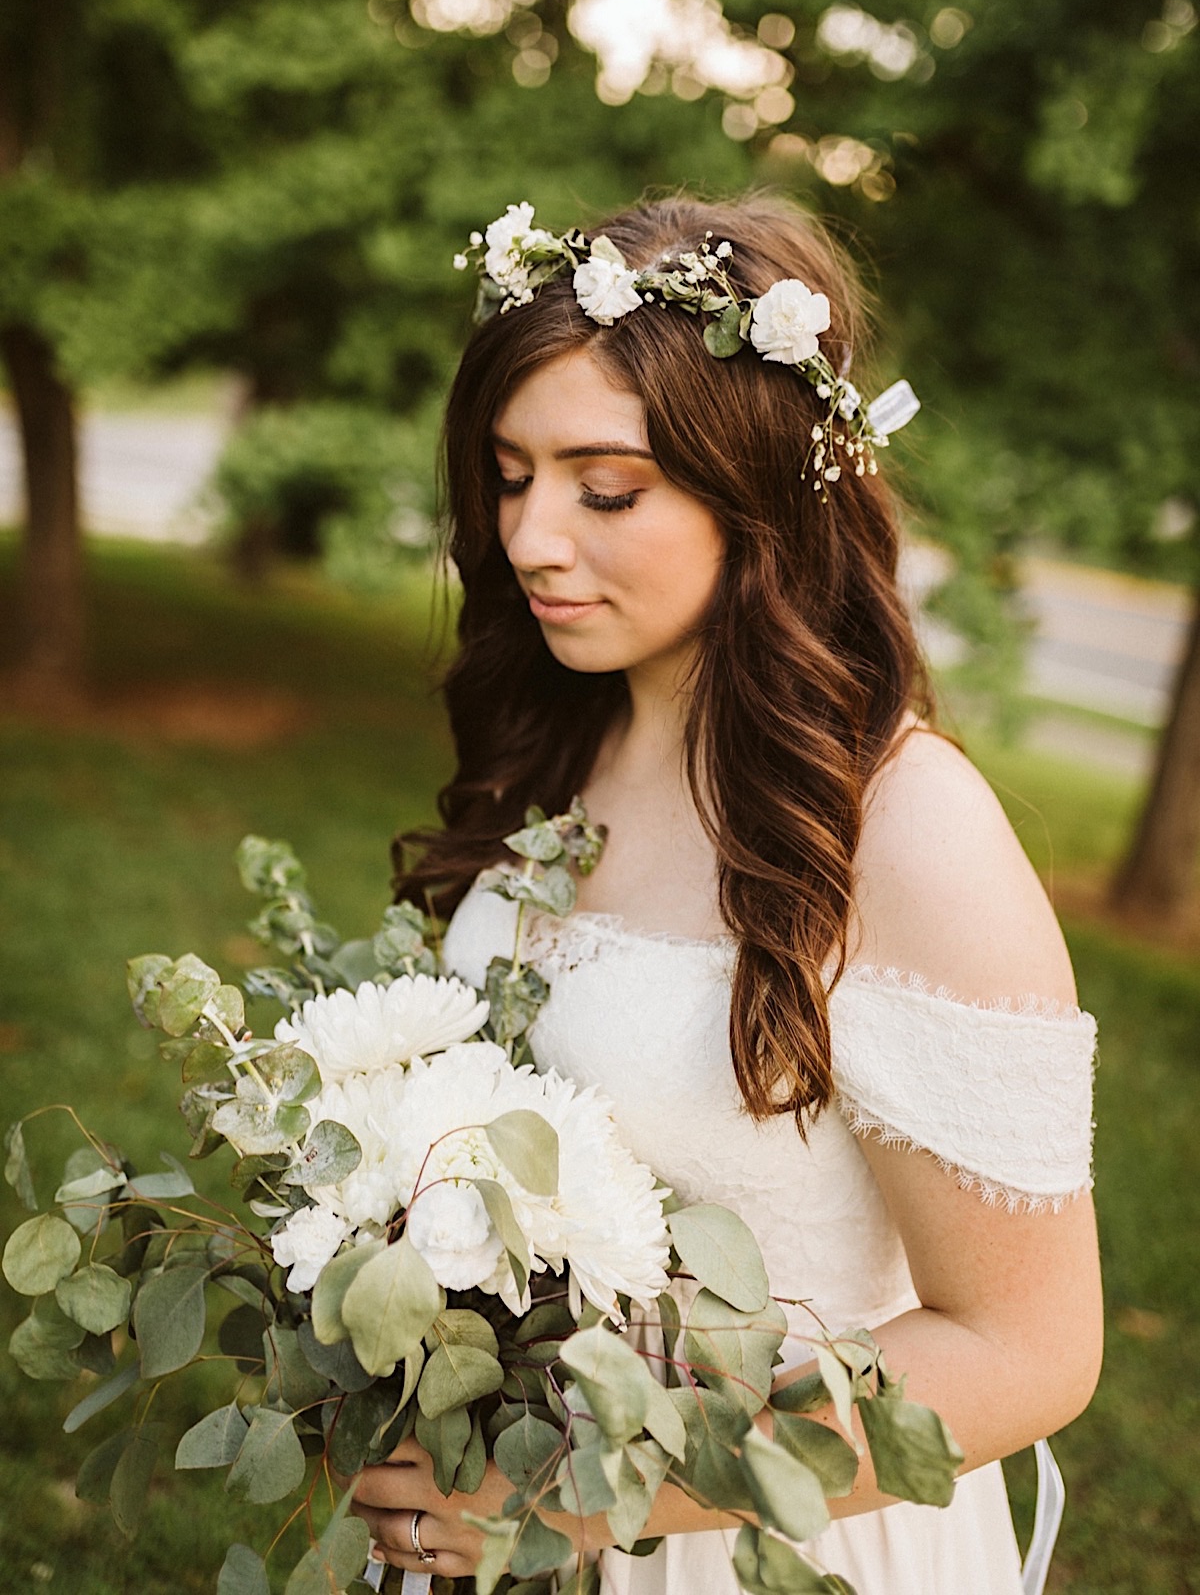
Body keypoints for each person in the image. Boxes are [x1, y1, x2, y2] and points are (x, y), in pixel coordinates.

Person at [350, 192, 1103, 1592]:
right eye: (509, 475)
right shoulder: (562, 738)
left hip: (760, 1541)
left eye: (605, 488)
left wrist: (589, 1507)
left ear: (755, 486)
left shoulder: (903, 826)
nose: (527, 539)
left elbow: (1028, 1348)